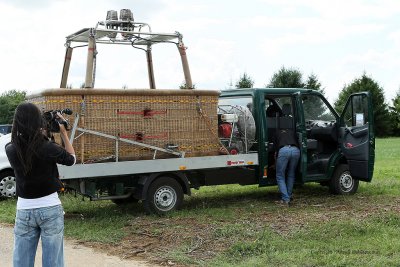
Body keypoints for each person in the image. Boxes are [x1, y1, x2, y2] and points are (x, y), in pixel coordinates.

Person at [5, 102, 76, 267]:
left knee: (21, 261)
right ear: (39, 122)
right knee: (53, 262)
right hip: (50, 208)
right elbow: (71, 160)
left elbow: (28, 148)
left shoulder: (10, 149)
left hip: (24, 210)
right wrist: (63, 133)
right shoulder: (48, 147)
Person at [274, 128, 300, 206]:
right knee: (291, 174)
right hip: (295, 150)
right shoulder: (292, 131)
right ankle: (289, 196)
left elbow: (275, 149)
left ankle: (285, 199)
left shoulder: (276, 133)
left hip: (284, 150)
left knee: (280, 175)